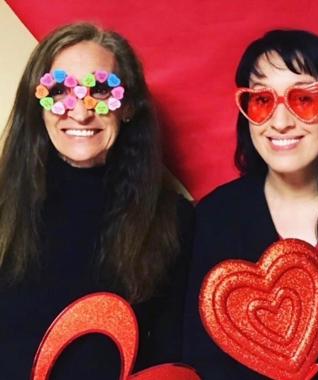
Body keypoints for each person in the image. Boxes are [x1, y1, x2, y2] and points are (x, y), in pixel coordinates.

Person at [0, 23, 194, 379]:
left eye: (101, 89)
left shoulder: (173, 220)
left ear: (129, 106)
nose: (80, 112)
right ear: (37, 104)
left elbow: (171, 360)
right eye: (59, 90)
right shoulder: (3, 206)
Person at [184, 29, 318, 379]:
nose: (280, 121)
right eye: (262, 100)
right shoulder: (216, 217)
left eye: (304, 99)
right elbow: (202, 358)